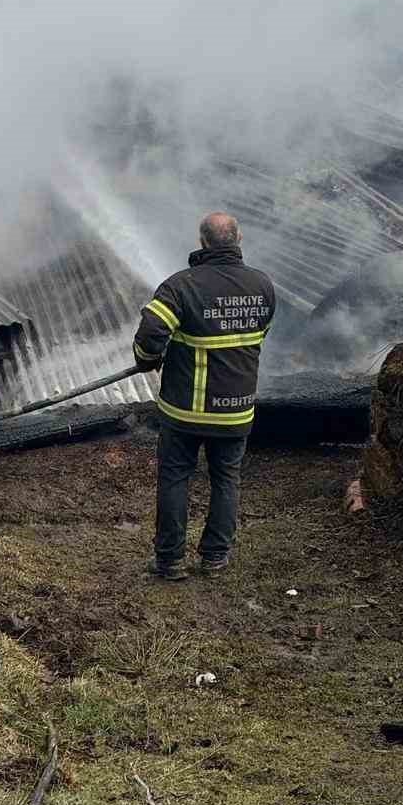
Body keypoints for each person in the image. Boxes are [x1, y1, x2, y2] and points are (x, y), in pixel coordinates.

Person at [132, 212, 276, 580]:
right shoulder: (263, 285)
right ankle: (214, 557)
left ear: (202, 242)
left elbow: (151, 332)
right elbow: (260, 333)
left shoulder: (181, 286)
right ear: (238, 238)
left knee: (175, 478)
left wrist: (149, 359)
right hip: (237, 410)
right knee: (226, 480)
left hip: (186, 411)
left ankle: (170, 561)